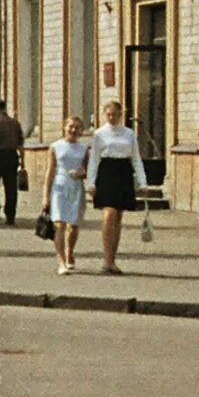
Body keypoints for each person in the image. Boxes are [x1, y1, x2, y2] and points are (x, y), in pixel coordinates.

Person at [86, 100, 141, 274]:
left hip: (123, 171)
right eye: (108, 114)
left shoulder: (129, 134)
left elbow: (136, 158)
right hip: (106, 172)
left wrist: (143, 181)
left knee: (118, 218)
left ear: (120, 115)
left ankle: (113, 260)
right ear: (104, 114)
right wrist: (91, 182)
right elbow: (94, 159)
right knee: (109, 214)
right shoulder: (99, 134)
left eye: (115, 115)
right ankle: (106, 259)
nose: (111, 118)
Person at [48, 117, 90, 275]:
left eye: (77, 127)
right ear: (64, 127)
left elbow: (89, 170)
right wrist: (46, 196)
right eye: (70, 126)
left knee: (74, 227)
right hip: (59, 186)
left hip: (76, 188)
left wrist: (82, 172)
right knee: (59, 224)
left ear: (81, 131)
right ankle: (61, 261)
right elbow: (50, 172)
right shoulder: (55, 147)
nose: (73, 130)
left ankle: (69, 251)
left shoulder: (83, 149)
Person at [0, 98, 27, 224]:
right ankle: (10, 216)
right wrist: (22, 161)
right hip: (12, 157)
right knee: (11, 187)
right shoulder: (15, 123)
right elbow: (21, 144)